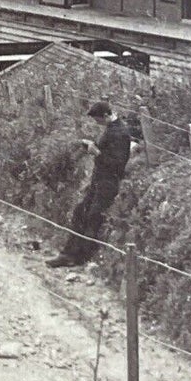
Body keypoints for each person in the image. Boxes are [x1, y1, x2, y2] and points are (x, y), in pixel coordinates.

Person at [47, 100, 132, 267]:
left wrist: (97, 153)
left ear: (107, 115)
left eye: (98, 120)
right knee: (80, 212)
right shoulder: (112, 128)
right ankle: (70, 255)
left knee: (93, 216)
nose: (97, 123)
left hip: (109, 182)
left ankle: (79, 257)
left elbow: (118, 163)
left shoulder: (120, 133)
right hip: (99, 180)